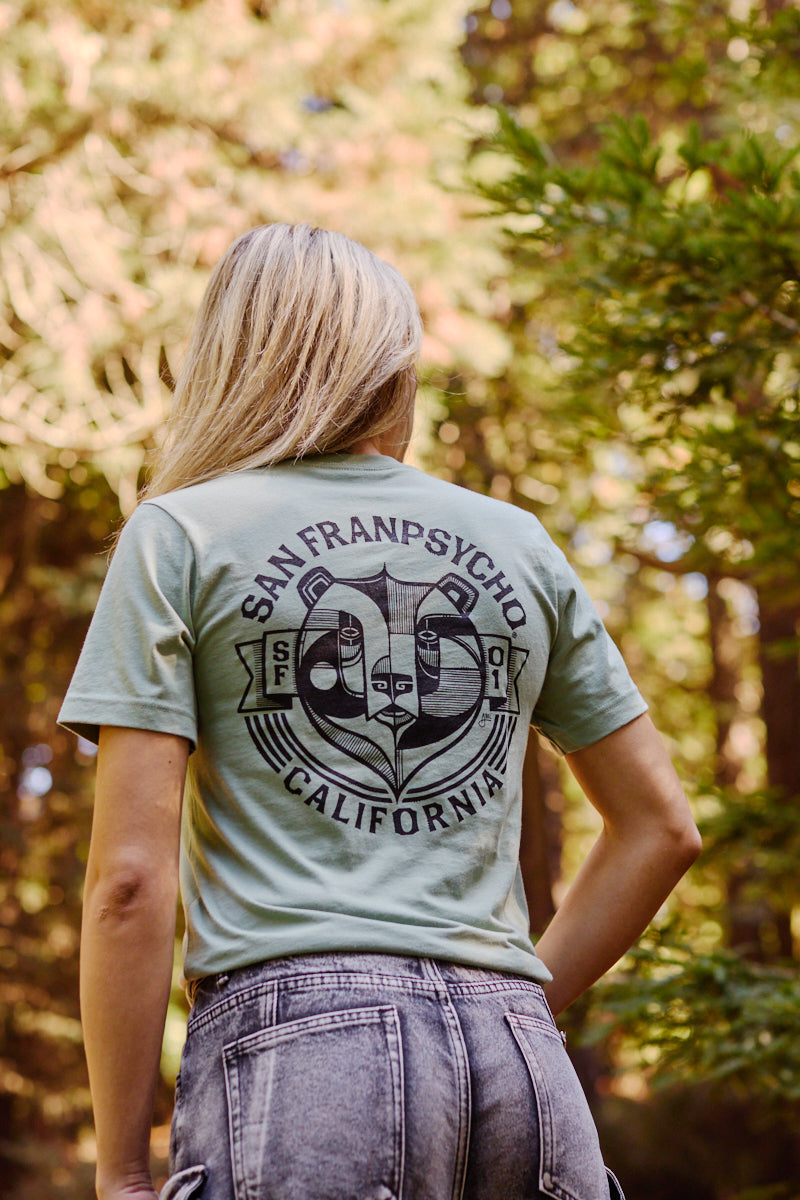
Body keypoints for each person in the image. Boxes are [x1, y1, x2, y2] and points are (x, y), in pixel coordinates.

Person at [60, 223, 701, 1200]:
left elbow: (130, 886)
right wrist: (514, 998)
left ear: (234, 355)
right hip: (521, 1066)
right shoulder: (516, 543)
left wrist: (119, 1171)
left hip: (298, 1056)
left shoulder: (180, 534)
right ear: (391, 370)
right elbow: (660, 825)